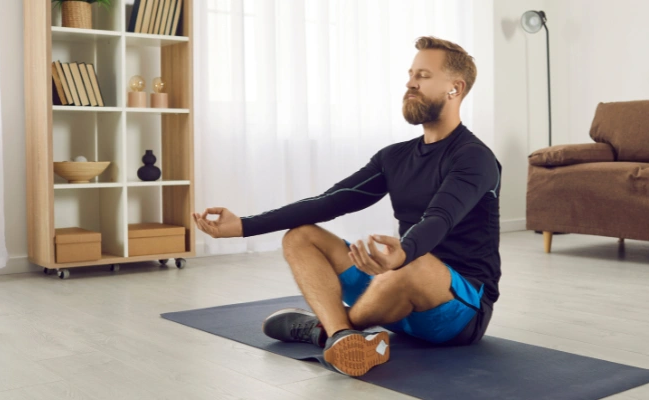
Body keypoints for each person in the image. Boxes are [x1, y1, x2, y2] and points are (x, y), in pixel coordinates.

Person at [192, 36, 501, 377]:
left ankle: (323, 329)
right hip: (392, 296)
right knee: (300, 237)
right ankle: (343, 337)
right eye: (411, 74)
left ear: (454, 88)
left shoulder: (474, 157)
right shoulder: (394, 156)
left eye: (423, 76)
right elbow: (329, 202)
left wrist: (401, 255)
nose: (410, 83)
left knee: (408, 265)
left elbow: (440, 218)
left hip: (457, 311)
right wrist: (244, 226)